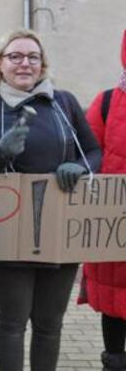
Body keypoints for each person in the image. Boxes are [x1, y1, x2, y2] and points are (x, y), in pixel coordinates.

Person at [0, 29, 102, 371]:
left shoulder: (63, 103)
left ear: (42, 64)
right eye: (15, 56)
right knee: (12, 324)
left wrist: (79, 167)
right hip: (11, 233)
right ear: (0, 64)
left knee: (50, 325)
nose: (25, 63)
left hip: (59, 228)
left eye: (32, 57)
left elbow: (94, 151)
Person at [79, 30, 126, 371]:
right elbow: (88, 152)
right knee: (113, 304)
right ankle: (114, 362)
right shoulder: (108, 101)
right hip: (113, 226)